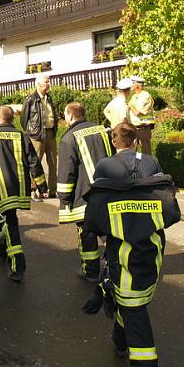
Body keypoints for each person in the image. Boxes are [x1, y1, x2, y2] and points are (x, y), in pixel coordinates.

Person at [85, 122, 180, 367]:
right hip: (152, 244)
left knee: (134, 308)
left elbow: (97, 210)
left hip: (123, 247)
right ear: (136, 142)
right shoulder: (151, 162)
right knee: (134, 299)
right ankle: (119, 339)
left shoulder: (105, 166)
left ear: (114, 143)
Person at [0, 105, 47, 282]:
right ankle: (1, 247)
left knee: (9, 223)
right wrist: (42, 186)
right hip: (19, 188)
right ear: (12, 119)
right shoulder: (21, 136)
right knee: (9, 219)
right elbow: (33, 162)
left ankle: (17, 265)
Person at [56, 101, 113, 282]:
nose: (64, 118)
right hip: (107, 189)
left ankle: (91, 270)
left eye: (65, 114)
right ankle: (117, 263)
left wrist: (64, 198)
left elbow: (67, 171)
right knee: (107, 229)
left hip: (85, 194)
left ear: (71, 115)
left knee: (86, 231)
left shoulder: (69, 138)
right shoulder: (101, 130)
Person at [20, 75, 58, 196]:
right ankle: (33, 190)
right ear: (38, 84)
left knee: (53, 163)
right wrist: (32, 131)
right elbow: (23, 119)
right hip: (37, 135)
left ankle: (52, 190)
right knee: (35, 163)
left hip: (50, 133)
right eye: (46, 82)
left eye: (49, 82)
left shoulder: (49, 98)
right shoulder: (31, 99)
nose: (49, 84)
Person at [128, 76, 155, 155]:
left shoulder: (146, 96)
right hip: (134, 129)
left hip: (143, 129)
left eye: (132, 84)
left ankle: (146, 167)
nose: (130, 86)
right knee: (134, 154)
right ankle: (136, 167)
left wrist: (129, 104)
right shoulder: (134, 96)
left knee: (145, 154)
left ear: (137, 85)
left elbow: (138, 113)